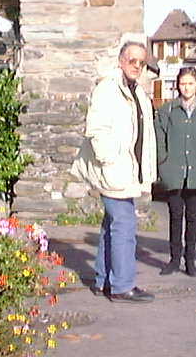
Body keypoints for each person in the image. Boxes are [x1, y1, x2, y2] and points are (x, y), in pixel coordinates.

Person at [71, 41, 156, 303]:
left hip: (129, 171)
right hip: (114, 169)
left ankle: (103, 281)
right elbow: (96, 129)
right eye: (132, 61)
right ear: (121, 60)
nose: (137, 67)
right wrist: (109, 160)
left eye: (141, 63)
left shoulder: (138, 92)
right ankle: (122, 286)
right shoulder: (108, 88)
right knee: (124, 225)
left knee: (112, 225)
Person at [154, 67, 196, 277]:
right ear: (177, 85)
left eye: (191, 83)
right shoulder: (168, 110)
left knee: (193, 217)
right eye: (183, 83)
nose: (187, 87)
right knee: (175, 216)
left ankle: (190, 260)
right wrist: (163, 161)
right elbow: (159, 137)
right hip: (174, 171)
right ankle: (174, 259)